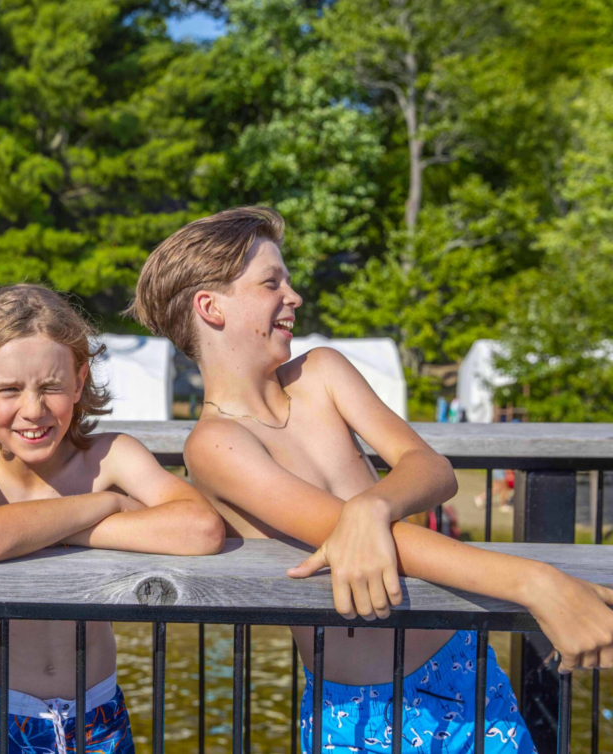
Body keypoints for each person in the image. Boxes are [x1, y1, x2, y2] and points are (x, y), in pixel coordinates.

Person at [130, 206, 613, 753]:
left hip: (465, 668)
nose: (294, 296)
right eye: (271, 283)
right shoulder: (214, 445)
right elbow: (359, 533)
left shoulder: (323, 373)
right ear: (210, 307)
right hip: (357, 715)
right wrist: (538, 583)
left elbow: (431, 468)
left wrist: (372, 506)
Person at [0, 283, 225, 754]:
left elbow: (203, 527)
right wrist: (106, 504)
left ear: (80, 381)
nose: (33, 409)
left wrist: (58, 530)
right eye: (9, 390)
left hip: (98, 716)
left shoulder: (110, 457)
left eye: (51, 387)